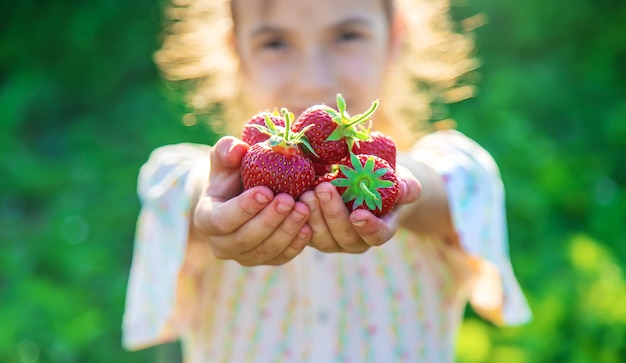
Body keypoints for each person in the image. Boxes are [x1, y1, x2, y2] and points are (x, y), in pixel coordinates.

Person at [122, 0, 532, 361]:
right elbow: (183, 190)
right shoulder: (190, 180)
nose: (313, 79)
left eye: (347, 35)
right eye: (275, 43)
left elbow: (451, 186)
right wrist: (221, 196)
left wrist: (391, 191)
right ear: (237, 53)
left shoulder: (450, 173)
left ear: (394, 38)